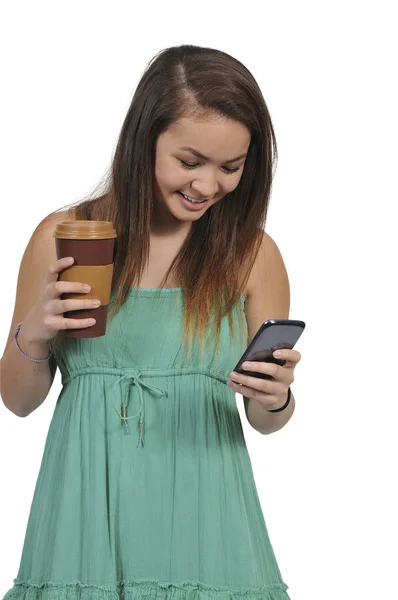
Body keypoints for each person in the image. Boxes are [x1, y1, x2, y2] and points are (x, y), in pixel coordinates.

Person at [0, 45, 301, 600]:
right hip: (85, 516)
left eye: (231, 168)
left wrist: (277, 396)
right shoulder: (63, 237)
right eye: (190, 162)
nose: (208, 186)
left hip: (208, 523)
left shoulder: (253, 256)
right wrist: (35, 334)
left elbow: (265, 419)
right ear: (144, 142)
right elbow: (17, 401)